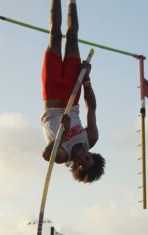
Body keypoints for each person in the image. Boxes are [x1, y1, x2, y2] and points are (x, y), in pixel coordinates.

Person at [40, 0, 105, 183]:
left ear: (76, 167)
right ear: (93, 156)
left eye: (81, 164)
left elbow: (46, 155)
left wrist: (61, 134)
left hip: (52, 93)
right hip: (72, 92)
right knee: (72, 35)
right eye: (88, 158)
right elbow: (91, 107)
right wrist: (86, 80)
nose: (82, 158)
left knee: (54, 36)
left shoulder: (62, 156)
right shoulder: (90, 139)